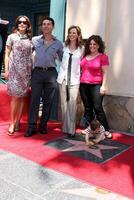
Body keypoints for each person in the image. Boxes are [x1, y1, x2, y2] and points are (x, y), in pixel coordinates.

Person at [25, 16, 63, 137]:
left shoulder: (58, 43)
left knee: (48, 101)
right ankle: (31, 127)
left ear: (53, 27)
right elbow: (27, 55)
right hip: (37, 73)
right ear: (42, 27)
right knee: (34, 100)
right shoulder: (35, 40)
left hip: (51, 73)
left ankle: (43, 126)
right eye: (44, 24)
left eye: (48, 24)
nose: (46, 26)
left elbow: (63, 59)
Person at [4, 15, 32, 136]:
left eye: (24, 22)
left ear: (27, 25)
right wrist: (6, 70)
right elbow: (7, 54)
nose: (22, 24)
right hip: (14, 71)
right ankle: (11, 122)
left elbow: (31, 56)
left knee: (21, 98)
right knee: (15, 97)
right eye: (20, 22)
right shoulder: (11, 37)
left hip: (25, 72)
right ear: (17, 24)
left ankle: (17, 122)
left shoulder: (30, 38)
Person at [80, 35, 112, 139]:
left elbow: (106, 72)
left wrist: (103, 86)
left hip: (96, 85)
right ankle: (90, 128)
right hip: (83, 85)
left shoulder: (103, 57)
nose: (92, 46)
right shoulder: (85, 56)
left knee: (98, 108)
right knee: (88, 108)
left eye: (95, 44)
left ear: (98, 45)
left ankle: (106, 129)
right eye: (90, 44)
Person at [57, 25, 84, 137]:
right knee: (64, 104)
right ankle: (65, 127)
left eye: (74, 33)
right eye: (70, 32)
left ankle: (71, 129)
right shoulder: (63, 46)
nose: (72, 35)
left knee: (72, 104)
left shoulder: (82, 49)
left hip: (74, 79)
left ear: (78, 35)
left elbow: (83, 64)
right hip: (62, 78)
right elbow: (59, 59)